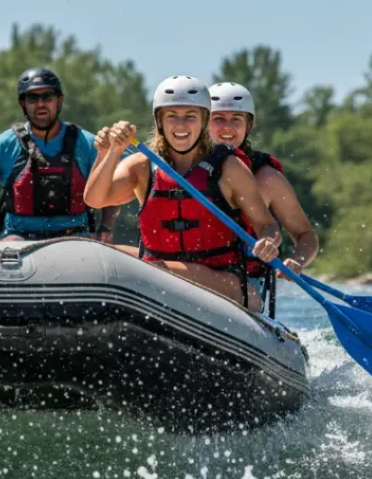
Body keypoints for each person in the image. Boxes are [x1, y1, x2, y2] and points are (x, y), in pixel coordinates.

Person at [84, 75, 281, 309]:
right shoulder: (142, 166)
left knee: (156, 270)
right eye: (172, 116)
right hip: (156, 272)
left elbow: (267, 226)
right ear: (160, 122)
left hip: (225, 283)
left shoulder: (229, 168)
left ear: (204, 120)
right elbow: (95, 199)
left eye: (190, 116)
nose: (180, 125)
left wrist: (269, 242)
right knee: (92, 252)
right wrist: (111, 152)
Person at [0, 66, 120, 242]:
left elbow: (112, 186)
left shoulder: (88, 144)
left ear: (59, 101)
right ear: (22, 104)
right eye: (33, 98)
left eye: (48, 97)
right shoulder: (3, 145)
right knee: (13, 243)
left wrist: (105, 228)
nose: (41, 104)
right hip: (18, 239)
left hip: (75, 238)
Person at [207, 82, 319, 280]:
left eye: (237, 119)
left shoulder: (266, 177)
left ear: (248, 125)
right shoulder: (185, 168)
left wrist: (297, 260)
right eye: (218, 119)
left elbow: (306, 235)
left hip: (243, 283)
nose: (228, 127)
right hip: (187, 272)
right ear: (203, 123)